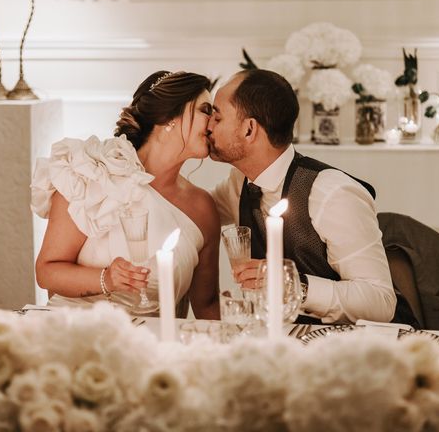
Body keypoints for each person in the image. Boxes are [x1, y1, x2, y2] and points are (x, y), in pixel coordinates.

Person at [207, 68, 405, 325]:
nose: (207, 126)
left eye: (217, 118)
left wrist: (294, 286)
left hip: (340, 352)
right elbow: (191, 213)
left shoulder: (333, 194)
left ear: (249, 130)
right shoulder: (240, 182)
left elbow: (380, 302)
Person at [32, 71, 220, 319]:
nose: (214, 120)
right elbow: (47, 272)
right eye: (206, 109)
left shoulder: (202, 208)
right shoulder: (91, 173)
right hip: (76, 335)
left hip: (154, 347)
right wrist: (106, 278)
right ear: (168, 118)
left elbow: (206, 306)